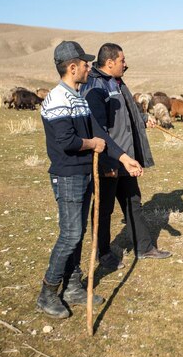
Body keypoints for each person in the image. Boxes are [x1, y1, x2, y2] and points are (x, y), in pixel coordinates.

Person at [37, 41, 142, 319]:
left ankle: (72, 287)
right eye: (84, 63)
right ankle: (47, 292)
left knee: (78, 233)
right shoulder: (58, 99)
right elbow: (67, 141)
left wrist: (123, 159)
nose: (88, 66)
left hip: (84, 174)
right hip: (68, 176)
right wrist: (91, 143)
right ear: (72, 67)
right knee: (70, 235)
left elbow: (101, 135)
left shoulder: (78, 97)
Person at [80, 43, 172, 267]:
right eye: (122, 60)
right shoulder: (95, 87)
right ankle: (103, 253)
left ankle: (144, 247)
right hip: (110, 159)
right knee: (104, 209)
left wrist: (142, 119)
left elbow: (125, 112)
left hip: (126, 158)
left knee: (133, 202)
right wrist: (105, 161)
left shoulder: (117, 82)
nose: (126, 64)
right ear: (109, 62)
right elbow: (97, 129)